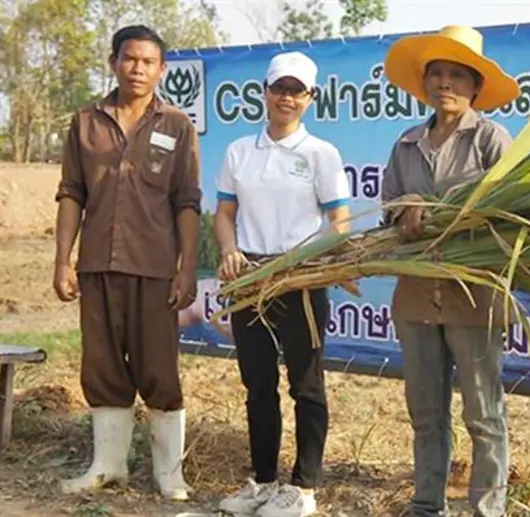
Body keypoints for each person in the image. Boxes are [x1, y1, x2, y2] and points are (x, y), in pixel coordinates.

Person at [53, 25, 201, 501]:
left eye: (148, 61)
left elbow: (186, 201)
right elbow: (72, 193)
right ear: (114, 61)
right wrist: (63, 261)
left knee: (160, 368)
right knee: (101, 366)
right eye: (130, 59)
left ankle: (169, 474)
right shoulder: (85, 123)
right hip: (97, 263)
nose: (138, 68)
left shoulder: (177, 125)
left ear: (162, 69)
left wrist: (186, 268)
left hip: (156, 266)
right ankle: (107, 466)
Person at [380, 26, 521, 517]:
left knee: (483, 412)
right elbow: (388, 206)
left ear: (476, 86)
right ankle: (426, 505)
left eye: (457, 75)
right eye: (436, 74)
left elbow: (510, 209)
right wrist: (406, 207)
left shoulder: (491, 139)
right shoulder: (406, 143)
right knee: (426, 413)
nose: (446, 83)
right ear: (424, 84)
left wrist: (445, 210)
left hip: (473, 296)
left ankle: (488, 509)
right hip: (417, 295)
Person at [213, 51, 350, 517]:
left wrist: (299, 261)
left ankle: (304, 489)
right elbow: (225, 213)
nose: (287, 98)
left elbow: (339, 222)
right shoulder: (239, 152)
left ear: (311, 98)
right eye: (280, 88)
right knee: (258, 385)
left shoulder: (321, 154)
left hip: (301, 280)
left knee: (306, 385)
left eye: (298, 91)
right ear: (265, 92)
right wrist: (230, 250)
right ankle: (264, 482)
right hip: (249, 278)